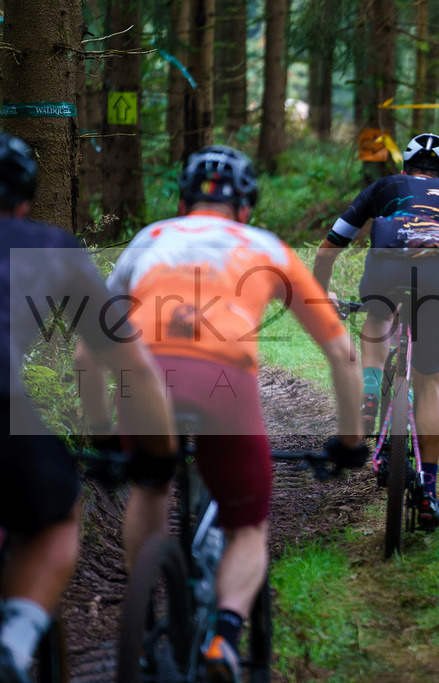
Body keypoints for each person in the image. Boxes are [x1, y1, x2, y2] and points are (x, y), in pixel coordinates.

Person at [76, 145, 366, 683]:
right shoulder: (267, 246)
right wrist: (350, 439)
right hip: (223, 384)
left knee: (150, 484)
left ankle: (142, 630)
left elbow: (86, 350)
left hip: (144, 374)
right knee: (248, 526)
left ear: (184, 201)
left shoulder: (151, 238)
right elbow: (344, 353)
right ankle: (225, 641)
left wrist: (103, 437)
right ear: (247, 208)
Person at [0, 132, 177, 683]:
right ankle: (15, 640)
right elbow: (128, 364)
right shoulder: (49, 246)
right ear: (24, 200)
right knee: (56, 512)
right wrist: (156, 451)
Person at [313, 133, 439, 531]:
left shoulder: (384, 186)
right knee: (429, 382)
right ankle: (428, 488)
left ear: (406, 169)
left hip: (385, 266)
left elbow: (329, 247)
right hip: (437, 274)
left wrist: (322, 291)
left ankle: (370, 392)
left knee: (378, 319)